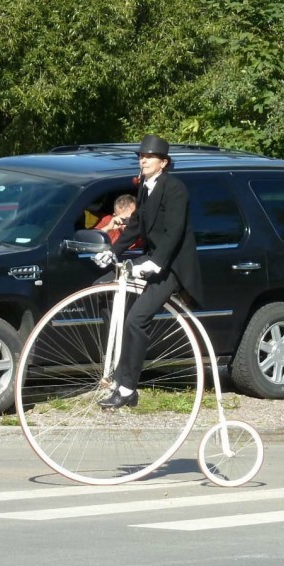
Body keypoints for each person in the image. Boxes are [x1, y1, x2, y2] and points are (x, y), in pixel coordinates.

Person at [93, 134, 204, 409]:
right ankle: (118, 375)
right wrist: (113, 251)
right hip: (152, 259)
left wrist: (157, 262)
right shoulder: (145, 186)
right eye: (140, 156)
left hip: (173, 267)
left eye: (148, 156)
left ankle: (129, 389)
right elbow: (136, 225)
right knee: (102, 290)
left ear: (163, 163)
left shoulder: (175, 189)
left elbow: (174, 232)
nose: (142, 160)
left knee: (136, 320)